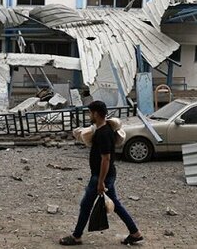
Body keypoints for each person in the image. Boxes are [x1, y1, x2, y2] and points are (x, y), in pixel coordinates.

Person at [59, 101, 144, 246]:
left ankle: (77, 236)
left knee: (86, 205)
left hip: (101, 176)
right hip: (106, 175)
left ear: (96, 114)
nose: (89, 115)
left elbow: (106, 158)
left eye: (90, 112)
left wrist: (100, 182)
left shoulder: (103, 133)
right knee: (114, 204)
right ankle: (135, 233)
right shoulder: (104, 130)